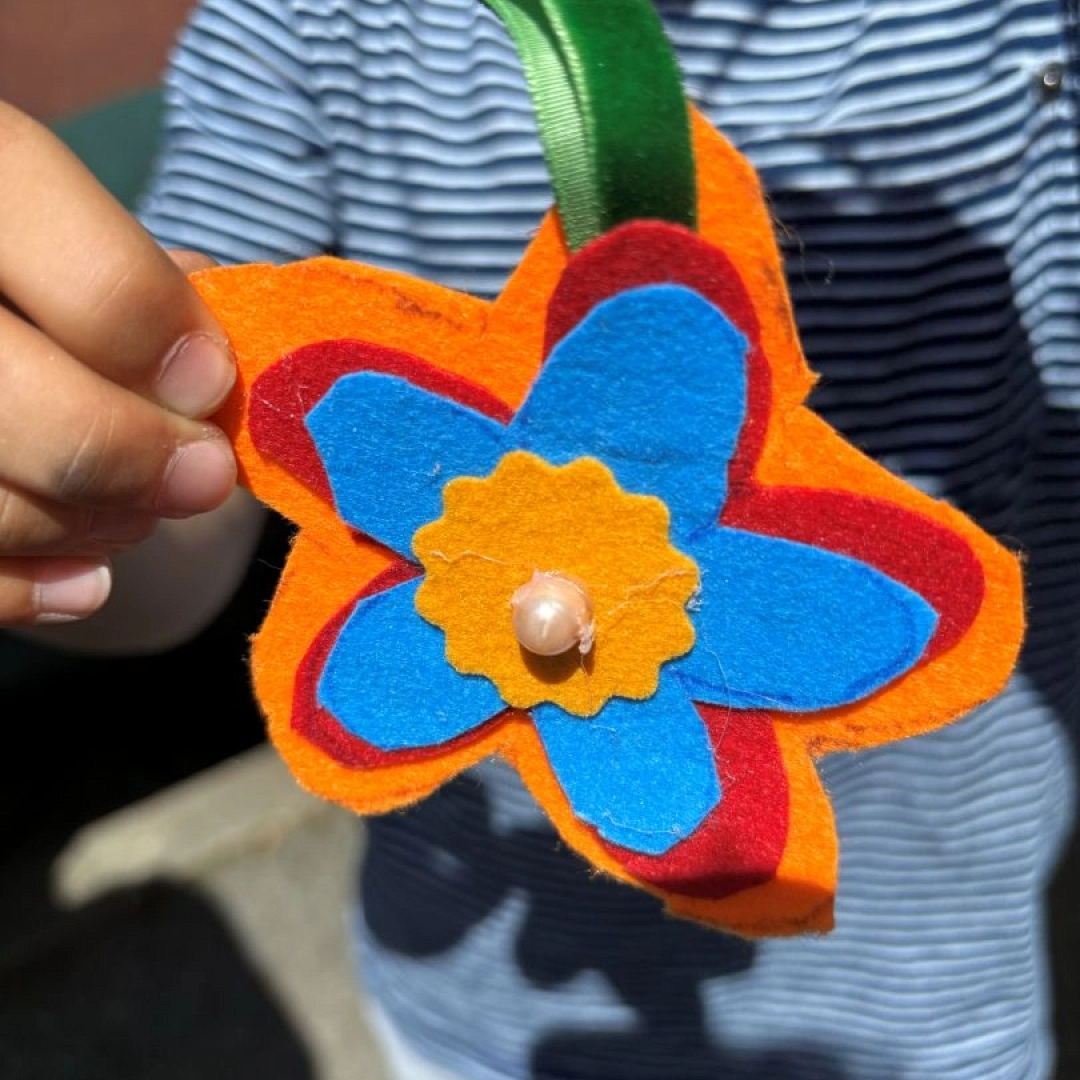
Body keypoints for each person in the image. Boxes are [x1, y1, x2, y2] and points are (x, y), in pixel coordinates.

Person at [6, 0, 1079, 1076]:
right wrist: (75, 465)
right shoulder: (322, 24)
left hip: (929, 1004)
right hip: (466, 1024)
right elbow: (178, 510)